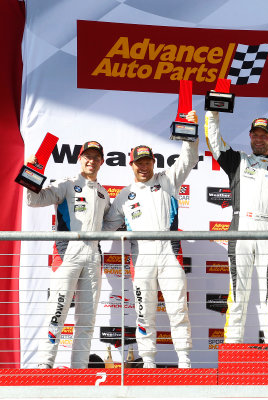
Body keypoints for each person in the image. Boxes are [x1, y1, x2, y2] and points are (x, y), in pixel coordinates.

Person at [103, 111, 199, 368]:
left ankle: (185, 361)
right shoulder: (124, 195)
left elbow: (189, 159)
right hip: (141, 257)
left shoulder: (168, 180)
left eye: (147, 161)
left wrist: (190, 131)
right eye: (138, 162)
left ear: (153, 162)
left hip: (170, 254)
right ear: (131, 165)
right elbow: (106, 227)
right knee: (144, 313)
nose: (143, 166)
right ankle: (148, 362)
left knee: (178, 309)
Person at [204, 111, 268, 344]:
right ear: (249, 136)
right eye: (255, 135)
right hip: (240, 229)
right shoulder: (237, 160)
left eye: (264, 136)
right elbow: (213, 139)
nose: (259, 139)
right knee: (237, 293)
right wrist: (212, 113)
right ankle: (232, 345)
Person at [27, 141, 110, 368]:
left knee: (87, 320)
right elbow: (33, 200)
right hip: (67, 254)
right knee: (57, 313)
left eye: (96, 157)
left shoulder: (104, 194)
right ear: (79, 159)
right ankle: (44, 366)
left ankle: (80, 370)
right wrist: (32, 174)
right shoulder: (66, 184)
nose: (91, 161)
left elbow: (110, 225)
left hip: (93, 257)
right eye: (87, 156)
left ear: (101, 161)